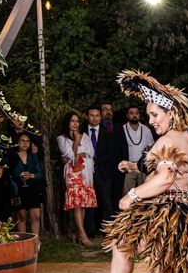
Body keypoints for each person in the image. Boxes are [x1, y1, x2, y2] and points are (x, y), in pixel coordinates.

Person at [93, 70, 188, 273]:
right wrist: (134, 166)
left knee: (123, 244)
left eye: (154, 115)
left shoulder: (165, 140)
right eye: (149, 115)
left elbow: (164, 179)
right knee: (161, 262)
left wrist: (132, 194)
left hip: (167, 208)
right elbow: (173, 168)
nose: (151, 121)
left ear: (171, 112)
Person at [57, 112, 97, 246]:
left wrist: (78, 151)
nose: (75, 123)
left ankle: (77, 234)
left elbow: (90, 152)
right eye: (72, 121)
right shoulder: (62, 138)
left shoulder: (85, 136)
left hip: (86, 173)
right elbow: (69, 155)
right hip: (73, 174)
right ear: (67, 122)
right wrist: (77, 141)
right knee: (77, 204)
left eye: (77, 121)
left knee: (83, 203)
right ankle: (83, 235)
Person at [83, 106, 116, 234]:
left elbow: (110, 152)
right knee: (89, 202)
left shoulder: (107, 132)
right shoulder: (81, 132)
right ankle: (89, 231)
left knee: (106, 202)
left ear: (100, 117)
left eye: (97, 115)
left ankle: (106, 231)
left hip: (103, 171)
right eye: (92, 115)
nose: (94, 118)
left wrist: (96, 162)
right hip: (85, 171)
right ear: (87, 117)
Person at [116, 105, 155, 195]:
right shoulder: (121, 129)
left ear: (139, 115)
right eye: (131, 113)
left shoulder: (146, 130)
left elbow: (151, 148)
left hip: (143, 167)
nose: (134, 115)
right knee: (127, 194)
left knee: (144, 194)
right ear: (127, 115)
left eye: (136, 113)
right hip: (128, 167)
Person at [9, 133, 44, 235]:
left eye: (27, 141)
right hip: (18, 189)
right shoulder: (13, 156)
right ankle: (22, 243)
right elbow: (9, 173)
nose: (25, 143)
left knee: (36, 216)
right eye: (22, 141)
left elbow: (40, 174)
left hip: (32, 189)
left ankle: (35, 243)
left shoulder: (33, 156)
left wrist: (31, 175)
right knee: (21, 217)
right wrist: (18, 176)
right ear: (17, 142)